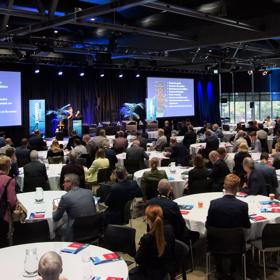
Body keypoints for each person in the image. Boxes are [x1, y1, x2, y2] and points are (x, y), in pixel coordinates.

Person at [205, 174, 250, 280]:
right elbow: (247, 225)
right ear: (237, 188)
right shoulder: (243, 205)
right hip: (236, 245)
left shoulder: (214, 203)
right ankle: (234, 269)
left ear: (224, 187)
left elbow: (208, 225)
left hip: (216, 245)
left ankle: (220, 270)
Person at [129, 205, 175, 280]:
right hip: (166, 271)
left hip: (149, 274)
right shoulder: (170, 230)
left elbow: (138, 259)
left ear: (147, 219)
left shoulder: (147, 239)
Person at [148, 179, 199, 244]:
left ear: (157, 189)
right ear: (170, 190)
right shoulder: (173, 205)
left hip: (154, 234)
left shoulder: (149, 203)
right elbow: (181, 224)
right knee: (195, 233)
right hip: (174, 237)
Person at [53, 173, 96, 241]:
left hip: (76, 231)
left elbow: (56, 218)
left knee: (56, 229)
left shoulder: (65, 197)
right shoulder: (89, 192)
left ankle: (62, 245)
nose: (63, 184)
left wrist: (56, 208)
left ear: (70, 183)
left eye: (64, 182)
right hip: (93, 228)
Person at [0, 155, 17, 248]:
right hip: (2, 216)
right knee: (3, 241)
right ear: (8, 167)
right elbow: (11, 201)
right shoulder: (9, 180)